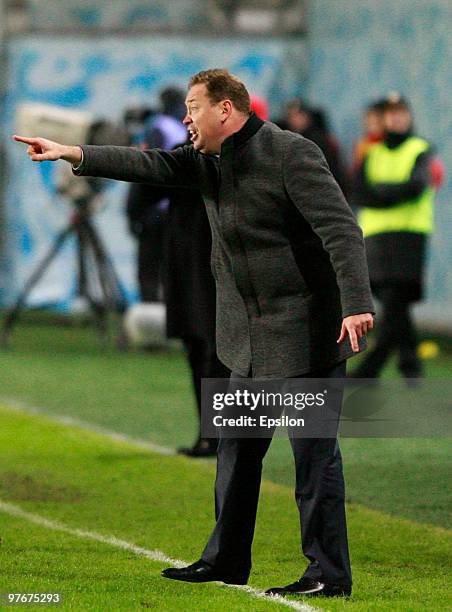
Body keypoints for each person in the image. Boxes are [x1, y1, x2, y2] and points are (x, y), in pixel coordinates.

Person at [14, 68, 374, 598]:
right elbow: (146, 164)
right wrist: (73, 152)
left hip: (304, 332)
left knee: (313, 459)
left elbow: (341, 229)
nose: (185, 118)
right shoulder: (204, 160)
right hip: (244, 338)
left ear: (225, 110)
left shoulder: (291, 153)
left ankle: (328, 574)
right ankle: (225, 561)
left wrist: (356, 304)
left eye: (193, 108)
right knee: (234, 451)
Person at [351, 93, 434, 379]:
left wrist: (382, 192)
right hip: (375, 237)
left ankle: (371, 368)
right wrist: (392, 192)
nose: (396, 118)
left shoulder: (419, 148)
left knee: (396, 298)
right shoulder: (372, 152)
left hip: (408, 234)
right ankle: (410, 362)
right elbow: (358, 191)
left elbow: (417, 185)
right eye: (391, 114)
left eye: (401, 113)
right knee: (392, 299)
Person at [126, 87, 187, 302]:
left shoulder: (159, 128)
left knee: (149, 272)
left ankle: (151, 326)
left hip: (156, 210)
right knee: (175, 271)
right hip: (180, 210)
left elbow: (146, 170)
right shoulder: (185, 129)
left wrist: (133, 212)